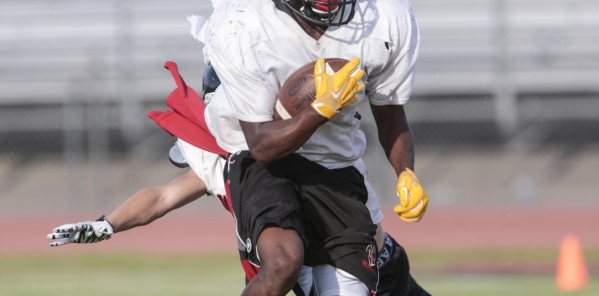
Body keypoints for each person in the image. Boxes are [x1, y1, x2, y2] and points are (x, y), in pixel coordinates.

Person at [193, 0, 429, 296]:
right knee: (284, 265)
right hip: (263, 165)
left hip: (336, 164)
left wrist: (406, 171)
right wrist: (321, 109)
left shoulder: (383, 17)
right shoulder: (243, 26)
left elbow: (389, 114)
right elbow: (262, 146)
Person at [47, 62, 430, 296]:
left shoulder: (297, 132)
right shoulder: (231, 157)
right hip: (336, 269)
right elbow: (163, 196)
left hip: (375, 259)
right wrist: (106, 224)